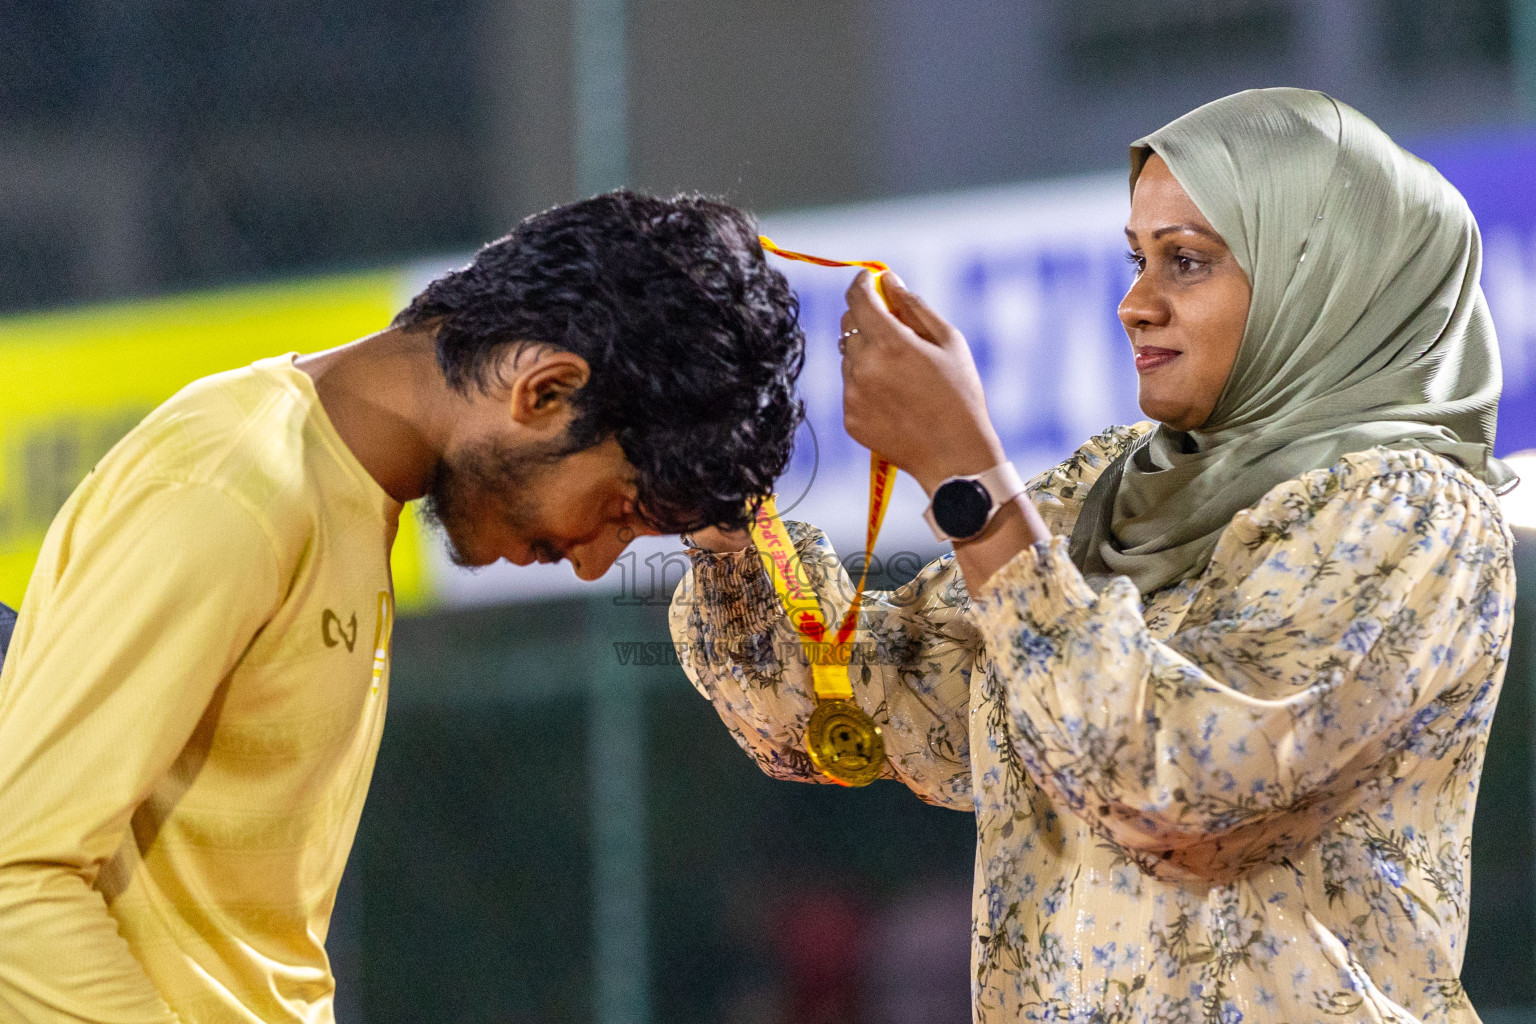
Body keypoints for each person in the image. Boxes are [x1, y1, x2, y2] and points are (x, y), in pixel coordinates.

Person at [672, 89, 1516, 1022]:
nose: (1134, 304)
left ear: (1322, 275)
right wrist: (721, 494)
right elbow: (850, 714)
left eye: (1185, 262)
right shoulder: (1110, 488)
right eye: (1137, 259)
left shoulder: (1412, 514)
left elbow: (1181, 792)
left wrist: (968, 480)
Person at [0, 190, 805, 1023]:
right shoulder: (235, 493)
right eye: (617, 510)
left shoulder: (343, 491)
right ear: (545, 390)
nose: (596, 561)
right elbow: (17, 884)